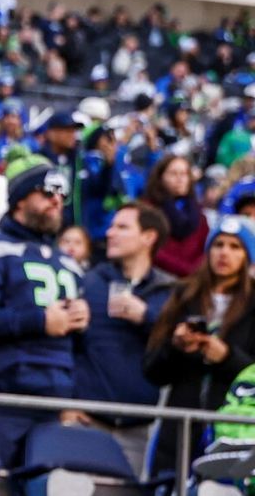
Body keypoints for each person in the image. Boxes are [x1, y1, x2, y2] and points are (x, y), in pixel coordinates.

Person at [0, 162, 87, 464]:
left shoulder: (67, 263)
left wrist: (81, 322)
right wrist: (38, 321)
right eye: (47, 192)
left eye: (62, 194)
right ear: (20, 200)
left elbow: (80, 345)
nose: (57, 201)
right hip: (0, 395)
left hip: (55, 393)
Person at [69, 203, 174, 476]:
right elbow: (67, 347)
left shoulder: (171, 292)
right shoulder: (89, 282)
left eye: (122, 227)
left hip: (141, 429)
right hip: (86, 421)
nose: (110, 233)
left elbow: (180, 353)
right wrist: (65, 403)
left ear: (148, 237)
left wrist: (147, 317)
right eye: (112, 225)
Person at [145, 216, 255, 415]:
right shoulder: (184, 295)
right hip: (180, 426)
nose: (224, 252)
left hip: (233, 427)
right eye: (218, 244)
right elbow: (152, 370)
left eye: (235, 247)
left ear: (248, 255)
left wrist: (227, 357)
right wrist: (176, 346)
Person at [139, 153, 208, 279]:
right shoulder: (147, 209)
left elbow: (205, 248)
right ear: (160, 178)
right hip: (157, 277)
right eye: (173, 174)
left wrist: (194, 272)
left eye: (184, 174)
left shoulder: (199, 214)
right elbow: (149, 248)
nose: (180, 179)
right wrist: (185, 270)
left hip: (192, 280)